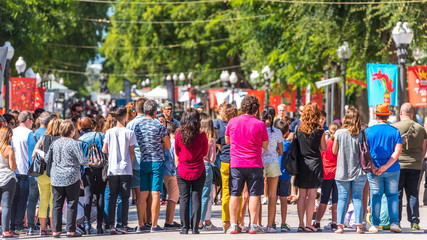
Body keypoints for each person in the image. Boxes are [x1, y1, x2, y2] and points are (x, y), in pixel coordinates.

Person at [226, 96, 268, 234]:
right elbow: (265, 144)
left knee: (234, 194)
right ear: (256, 109)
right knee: (255, 194)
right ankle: (253, 225)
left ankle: (233, 224)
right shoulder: (260, 124)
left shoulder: (232, 121)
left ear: (242, 107)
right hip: (254, 163)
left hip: (236, 163)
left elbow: (227, 140)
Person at [47, 120, 88, 238]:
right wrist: (90, 161)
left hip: (56, 177)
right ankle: (70, 231)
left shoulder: (54, 143)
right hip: (71, 176)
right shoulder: (74, 143)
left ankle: (56, 231)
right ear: (71, 131)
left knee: (57, 204)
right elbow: (82, 160)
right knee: (71, 203)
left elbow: (46, 159)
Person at [365, 103, 403, 233]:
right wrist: (385, 166)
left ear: (376, 115)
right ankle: (393, 223)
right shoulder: (394, 131)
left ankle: (375, 225)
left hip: (374, 169)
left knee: (376, 195)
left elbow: (365, 152)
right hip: (392, 169)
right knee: (392, 195)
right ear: (388, 115)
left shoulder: (368, 131)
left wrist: (376, 166)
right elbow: (397, 151)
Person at [134, 100, 171, 232]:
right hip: (157, 161)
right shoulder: (159, 126)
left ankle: (140, 224)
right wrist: (159, 145)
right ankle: (154, 225)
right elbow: (168, 145)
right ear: (155, 111)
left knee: (143, 194)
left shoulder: (137, 126)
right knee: (156, 193)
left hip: (144, 161)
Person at [331, 108, 367, 234]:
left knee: (342, 198)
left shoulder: (339, 133)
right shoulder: (362, 134)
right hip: (359, 171)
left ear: (345, 118)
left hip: (342, 170)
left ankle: (340, 226)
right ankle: (358, 226)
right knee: (357, 198)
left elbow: (334, 151)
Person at [392, 103, 427, 230]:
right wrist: (419, 160)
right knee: (413, 194)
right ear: (412, 113)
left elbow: (392, 148)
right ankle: (414, 222)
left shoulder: (395, 127)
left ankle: (397, 221)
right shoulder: (420, 128)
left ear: (401, 113)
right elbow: (424, 148)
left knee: (398, 193)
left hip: (398, 165)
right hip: (415, 165)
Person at [102, 107, 137, 234]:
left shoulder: (109, 132)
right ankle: (123, 224)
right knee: (124, 197)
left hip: (112, 169)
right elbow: (132, 152)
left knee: (112, 197)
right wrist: (131, 167)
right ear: (125, 117)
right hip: (126, 168)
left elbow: (104, 150)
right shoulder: (129, 132)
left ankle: (111, 224)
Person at [295, 102, 326, 232]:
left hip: (302, 163)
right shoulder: (319, 130)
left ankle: (301, 223)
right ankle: (309, 223)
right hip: (314, 164)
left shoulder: (299, 128)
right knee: (312, 194)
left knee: (301, 194)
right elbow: (323, 147)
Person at [175, 108, 208, 234]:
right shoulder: (202, 136)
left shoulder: (179, 135)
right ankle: (195, 228)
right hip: (198, 169)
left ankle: (184, 228)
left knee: (184, 199)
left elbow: (177, 151)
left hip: (183, 169)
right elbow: (204, 152)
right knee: (197, 198)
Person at [26, 111, 55, 235]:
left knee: (33, 200)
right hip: (49, 171)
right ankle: (50, 226)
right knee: (51, 200)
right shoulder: (52, 135)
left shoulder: (31, 134)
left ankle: (31, 227)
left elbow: (30, 153)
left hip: (35, 171)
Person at [32, 119, 62, 236]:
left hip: (42, 174)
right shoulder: (60, 140)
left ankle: (43, 229)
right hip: (55, 173)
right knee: (54, 201)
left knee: (43, 201)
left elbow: (34, 154)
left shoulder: (43, 138)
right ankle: (53, 228)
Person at [78, 116, 107, 234]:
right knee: (100, 195)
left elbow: (80, 159)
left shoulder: (80, 140)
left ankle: (87, 224)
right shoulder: (101, 135)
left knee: (88, 195)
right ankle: (100, 224)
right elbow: (106, 151)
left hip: (87, 169)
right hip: (101, 167)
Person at [125, 97, 148, 232]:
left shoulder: (130, 124)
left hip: (136, 163)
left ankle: (141, 223)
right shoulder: (153, 122)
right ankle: (150, 221)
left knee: (140, 195)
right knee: (151, 194)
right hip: (151, 161)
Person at [260, 106, 283, 233]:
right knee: (272, 195)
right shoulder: (278, 132)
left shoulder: (259, 129)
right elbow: (280, 151)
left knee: (257, 195)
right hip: (273, 162)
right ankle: (270, 225)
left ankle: (257, 223)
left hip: (260, 161)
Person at [10, 110, 33, 234]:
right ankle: (18, 225)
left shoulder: (12, 132)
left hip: (12, 170)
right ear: (28, 120)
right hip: (25, 170)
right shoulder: (30, 134)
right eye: (32, 120)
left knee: (12, 200)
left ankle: (11, 224)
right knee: (22, 199)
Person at [313, 123, 339, 232]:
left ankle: (317, 221)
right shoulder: (339, 144)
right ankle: (334, 222)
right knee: (336, 200)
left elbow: (321, 156)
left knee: (324, 198)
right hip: (337, 173)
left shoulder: (326, 143)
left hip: (327, 173)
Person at [199, 113, 217, 230]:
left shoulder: (197, 138)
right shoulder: (211, 140)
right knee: (206, 195)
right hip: (206, 166)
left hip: (196, 166)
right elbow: (212, 158)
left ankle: (195, 220)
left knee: (195, 194)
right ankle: (202, 221)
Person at [163, 122, 181, 230]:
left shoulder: (166, 143)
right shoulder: (175, 143)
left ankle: (169, 220)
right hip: (173, 172)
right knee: (173, 198)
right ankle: (169, 221)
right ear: (175, 130)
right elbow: (176, 159)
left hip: (165, 171)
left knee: (171, 196)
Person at [0, 126, 17, 238]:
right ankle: (5, 231)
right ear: (8, 135)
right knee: (6, 206)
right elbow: (12, 167)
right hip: (7, 179)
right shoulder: (9, 148)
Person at [275, 120, 291, 232]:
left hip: (274, 174)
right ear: (286, 132)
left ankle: (271, 222)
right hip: (285, 174)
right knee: (284, 200)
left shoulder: (273, 143)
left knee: (273, 199)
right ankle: (283, 223)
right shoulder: (288, 144)